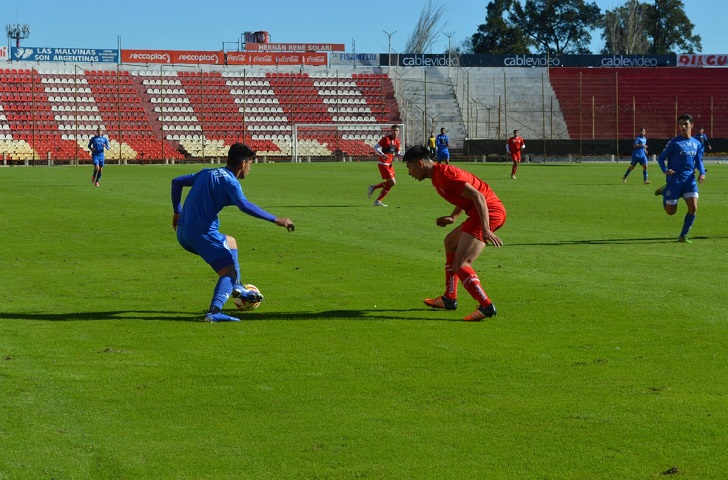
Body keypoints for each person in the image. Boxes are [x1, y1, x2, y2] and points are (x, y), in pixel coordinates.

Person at [171, 143, 295, 322]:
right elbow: (244, 205)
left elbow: (177, 182)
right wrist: (276, 219)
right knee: (228, 272)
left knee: (230, 241)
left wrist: (177, 211)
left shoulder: (207, 172)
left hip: (183, 233)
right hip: (201, 234)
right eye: (251, 164)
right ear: (243, 163)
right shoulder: (230, 181)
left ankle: (236, 287)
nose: (250, 169)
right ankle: (214, 312)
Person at [402, 145, 506, 322]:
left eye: (409, 167)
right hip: (479, 212)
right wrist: (453, 216)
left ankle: (486, 305)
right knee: (450, 242)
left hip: (489, 212)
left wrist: (486, 229)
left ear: (420, 163)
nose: (409, 172)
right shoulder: (437, 176)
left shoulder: (445, 175)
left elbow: (479, 197)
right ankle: (449, 298)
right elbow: (465, 195)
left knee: (461, 264)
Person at [654, 114, 706, 243]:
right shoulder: (674, 142)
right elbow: (661, 158)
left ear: (691, 125)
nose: (683, 126)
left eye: (686, 124)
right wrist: (665, 170)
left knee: (693, 207)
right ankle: (665, 191)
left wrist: (702, 172)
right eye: (681, 124)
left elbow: (698, 161)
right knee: (671, 212)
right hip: (674, 181)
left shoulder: (697, 143)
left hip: (690, 181)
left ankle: (683, 236)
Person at [368, 124, 403, 207]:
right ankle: (374, 188)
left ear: (399, 132)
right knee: (392, 182)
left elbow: (397, 154)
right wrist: (382, 154)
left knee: (391, 183)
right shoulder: (386, 139)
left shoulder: (397, 142)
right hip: (383, 164)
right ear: (391, 131)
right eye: (394, 130)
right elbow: (376, 147)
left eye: (397, 130)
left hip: (390, 164)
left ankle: (377, 199)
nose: (395, 132)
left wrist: (405, 157)